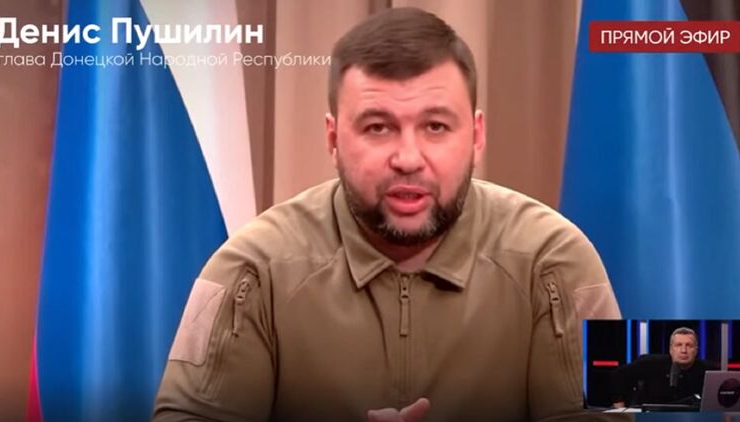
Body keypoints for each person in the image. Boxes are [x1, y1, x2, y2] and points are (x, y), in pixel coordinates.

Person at [153, 7, 622, 421]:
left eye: (436, 126)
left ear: (476, 136)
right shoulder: (251, 268)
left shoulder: (561, 259)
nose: (408, 158)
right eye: (378, 128)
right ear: (334, 139)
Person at [611, 327, 715, 408]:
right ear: (671, 349)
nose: (683, 350)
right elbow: (618, 374)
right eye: (678, 345)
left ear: (696, 350)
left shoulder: (708, 371)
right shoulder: (651, 363)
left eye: (689, 345)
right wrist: (619, 408)